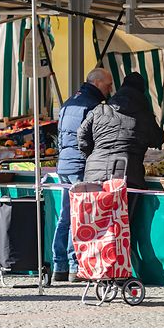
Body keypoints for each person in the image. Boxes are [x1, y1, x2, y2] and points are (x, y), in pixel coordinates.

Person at [52, 68, 113, 282]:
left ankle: (58, 265)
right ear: (97, 83)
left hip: (64, 166)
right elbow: (90, 139)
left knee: (65, 216)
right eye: (108, 85)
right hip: (79, 165)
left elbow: (60, 136)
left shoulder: (70, 102)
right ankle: (73, 265)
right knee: (79, 217)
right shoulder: (93, 106)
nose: (110, 89)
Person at [78, 72, 164, 190]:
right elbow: (157, 139)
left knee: (97, 208)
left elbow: (81, 134)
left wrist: (92, 156)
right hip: (128, 175)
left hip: (94, 173)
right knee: (125, 208)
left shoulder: (100, 109)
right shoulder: (144, 116)